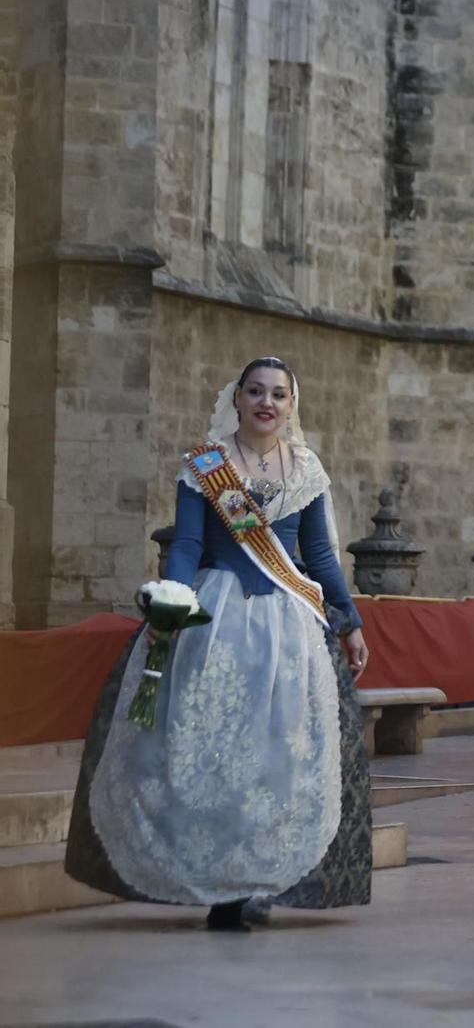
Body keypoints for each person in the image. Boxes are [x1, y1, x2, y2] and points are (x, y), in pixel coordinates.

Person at [64, 358, 370, 932]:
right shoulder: (205, 466)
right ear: (237, 398)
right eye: (256, 391)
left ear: (290, 404)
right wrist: (171, 600)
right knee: (214, 751)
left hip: (289, 627)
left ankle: (262, 880)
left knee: (279, 754)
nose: (267, 403)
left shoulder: (306, 468)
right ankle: (218, 882)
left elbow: (321, 556)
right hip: (215, 619)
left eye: (279, 394)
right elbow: (186, 545)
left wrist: (348, 619)